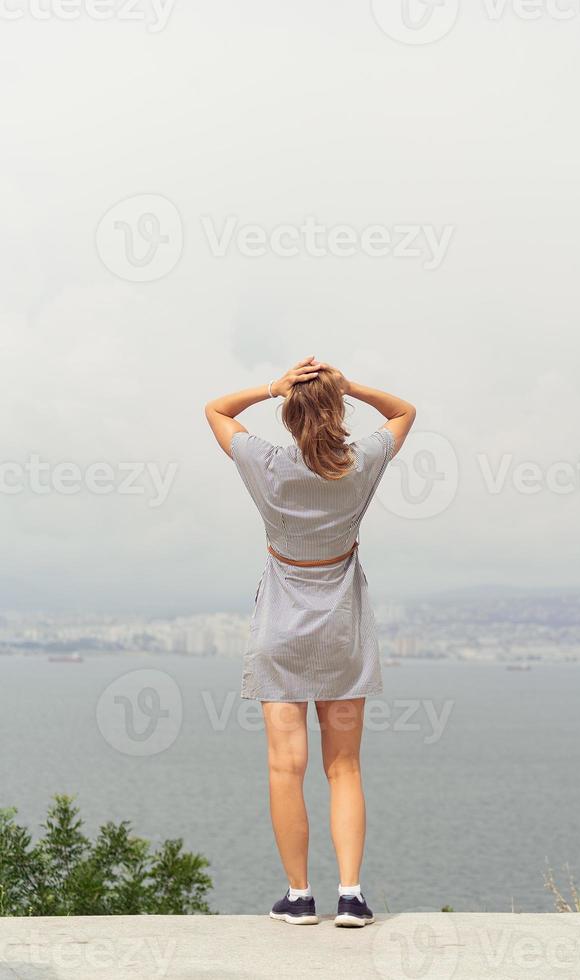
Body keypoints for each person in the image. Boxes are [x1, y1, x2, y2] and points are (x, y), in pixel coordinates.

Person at [205, 357, 415, 927]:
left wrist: (275, 386)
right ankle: (351, 895)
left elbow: (216, 409)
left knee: (284, 768)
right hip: (342, 632)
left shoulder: (266, 463)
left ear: (290, 415)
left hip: (280, 630)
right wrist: (348, 385)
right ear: (338, 410)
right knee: (343, 767)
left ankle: (299, 897)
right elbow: (404, 412)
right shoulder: (361, 463)